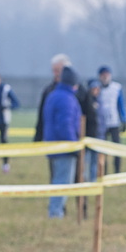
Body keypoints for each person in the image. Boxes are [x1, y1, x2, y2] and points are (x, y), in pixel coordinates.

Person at [43, 67, 84, 219]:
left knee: (57, 179)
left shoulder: (53, 95)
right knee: (63, 181)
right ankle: (55, 212)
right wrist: (74, 146)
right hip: (64, 148)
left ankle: (55, 211)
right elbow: (65, 125)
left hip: (53, 145)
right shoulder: (67, 99)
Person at [33, 53, 96, 145]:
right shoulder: (49, 91)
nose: (55, 74)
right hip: (59, 141)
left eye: (58, 71)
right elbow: (42, 118)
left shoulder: (81, 92)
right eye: (54, 71)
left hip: (77, 140)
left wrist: (90, 140)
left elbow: (90, 117)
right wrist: (37, 140)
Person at [93, 66, 126, 175]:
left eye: (106, 75)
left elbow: (121, 105)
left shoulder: (116, 88)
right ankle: (104, 172)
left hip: (114, 122)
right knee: (103, 150)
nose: (105, 77)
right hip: (101, 124)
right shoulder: (96, 88)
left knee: (116, 148)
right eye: (103, 75)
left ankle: (117, 171)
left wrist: (124, 120)